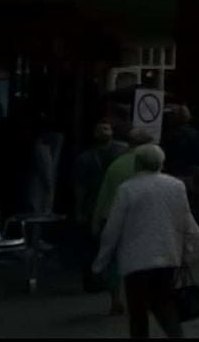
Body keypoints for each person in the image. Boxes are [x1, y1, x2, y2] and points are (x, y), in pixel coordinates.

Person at [94, 145, 199, 340]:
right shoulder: (176, 186)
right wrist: (193, 249)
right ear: (161, 163)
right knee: (164, 303)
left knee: (137, 311)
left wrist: (101, 261)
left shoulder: (127, 189)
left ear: (138, 163)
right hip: (167, 255)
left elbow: (113, 229)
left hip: (135, 260)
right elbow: (185, 219)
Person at [93, 129, 158, 316]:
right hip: (140, 219)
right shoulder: (150, 167)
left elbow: (104, 194)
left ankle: (115, 299)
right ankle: (143, 298)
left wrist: (96, 221)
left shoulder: (116, 165)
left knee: (115, 262)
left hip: (113, 216)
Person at [74, 120, 130, 303]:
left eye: (106, 128)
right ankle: (101, 282)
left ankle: (112, 288)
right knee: (99, 246)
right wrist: (80, 210)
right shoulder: (86, 158)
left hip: (115, 205)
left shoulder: (122, 152)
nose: (103, 131)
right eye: (100, 129)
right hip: (96, 206)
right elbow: (80, 187)